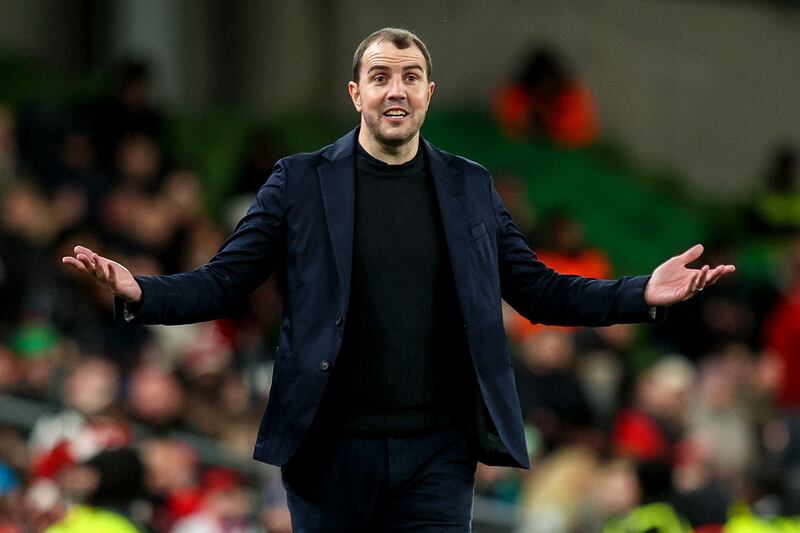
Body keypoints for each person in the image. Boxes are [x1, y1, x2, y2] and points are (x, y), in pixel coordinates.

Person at [63, 27, 735, 531]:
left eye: (411, 76)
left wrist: (640, 291)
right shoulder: (298, 181)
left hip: (437, 451)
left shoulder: (470, 186)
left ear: (429, 94)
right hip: (328, 449)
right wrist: (142, 292)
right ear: (355, 92)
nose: (396, 89)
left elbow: (539, 290)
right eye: (380, 76)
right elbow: (224, 281)